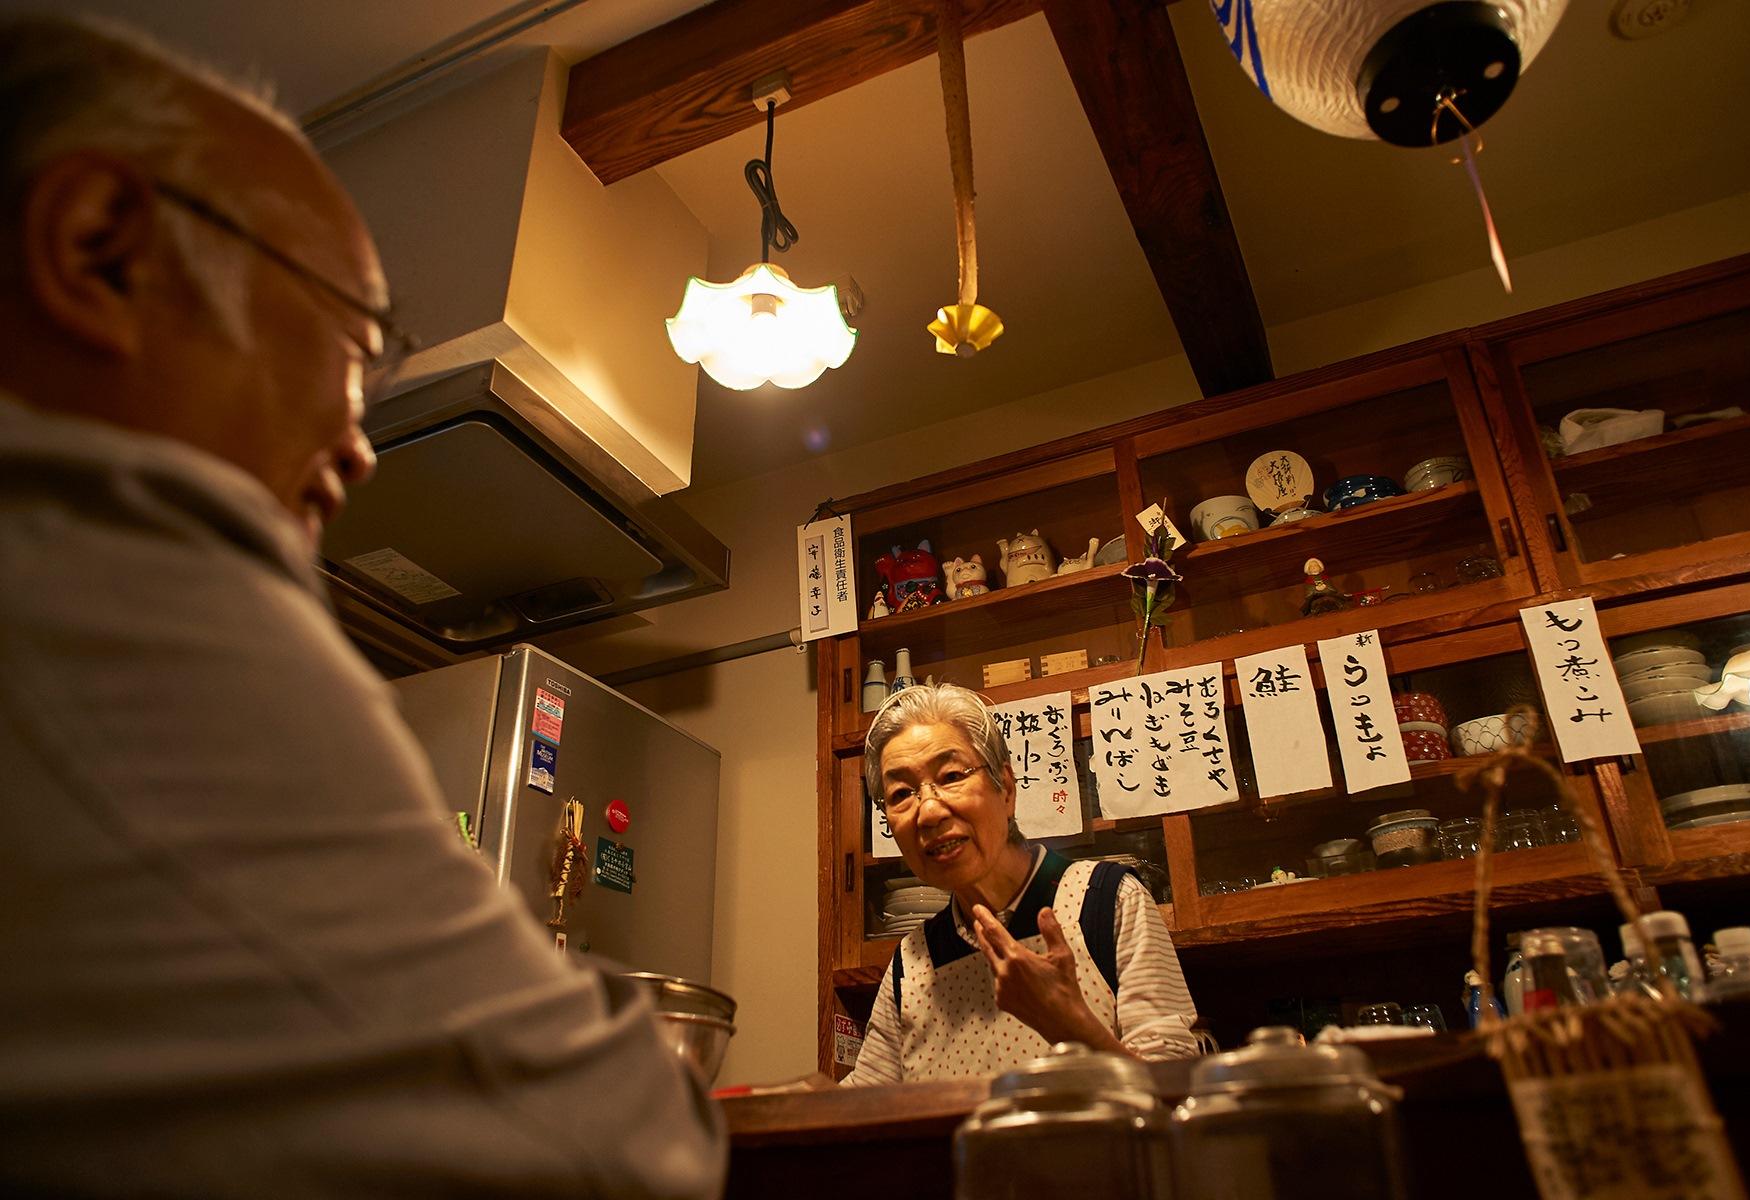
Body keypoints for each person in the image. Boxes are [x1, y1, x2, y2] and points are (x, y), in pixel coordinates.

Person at [0, 17, 722, 1196]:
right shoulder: (110, 551)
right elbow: (611, 1144)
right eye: (356, 339)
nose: (358, 442)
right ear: (97, 248)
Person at [843, 683, 1199, 1085]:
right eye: (902, 792)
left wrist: (1072, 1027)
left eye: (952, 775)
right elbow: (866, 1103)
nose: (927, 811)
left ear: (1006, 789)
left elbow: (1176, 1090)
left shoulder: (1106, 901)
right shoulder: (914, 958)